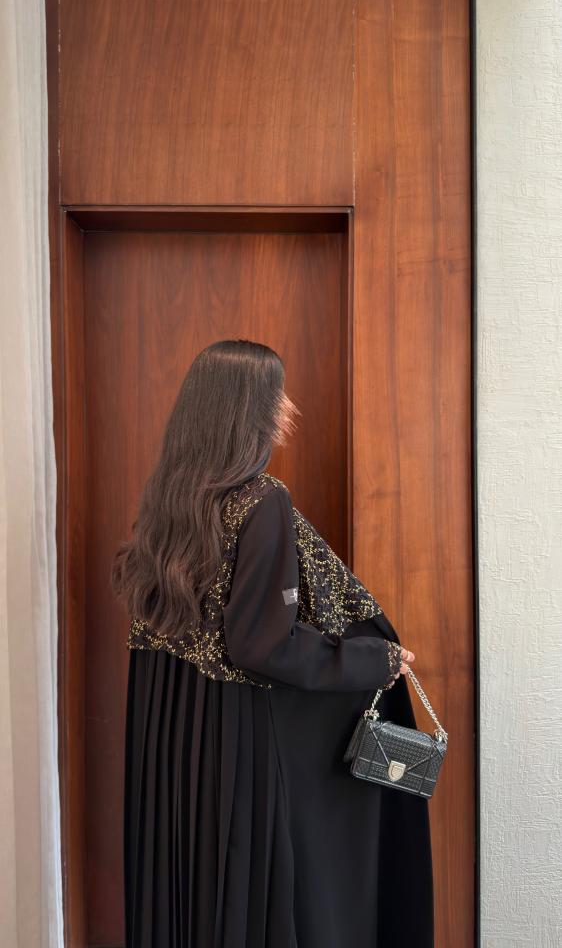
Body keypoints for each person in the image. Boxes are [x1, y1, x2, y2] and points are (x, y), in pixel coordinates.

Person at [111, 338, 434, 948]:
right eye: (276, 394)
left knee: (194, 892)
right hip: (235, 741)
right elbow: (261, 644)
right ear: (246, 409)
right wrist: (374, 660)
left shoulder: (168, 498)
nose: (288, 407)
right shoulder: (263, 500)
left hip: (180, 736)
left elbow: (211, 632)